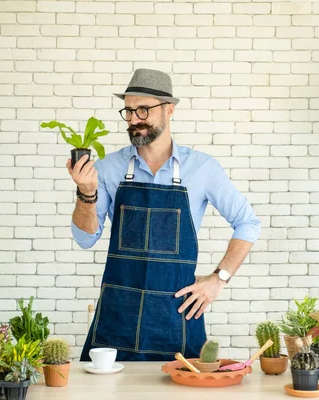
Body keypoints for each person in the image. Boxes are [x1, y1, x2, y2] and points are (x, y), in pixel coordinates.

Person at [67, 68, 261, 362]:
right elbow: (85, 237)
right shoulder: (108, 168)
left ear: (169, 110)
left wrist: (218, 279)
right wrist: (86, 193)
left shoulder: (202, 168)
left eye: (143, 110)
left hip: (177, 312)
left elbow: (247, 223)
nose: (134, 120)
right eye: (129, 111)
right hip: (119, 310)